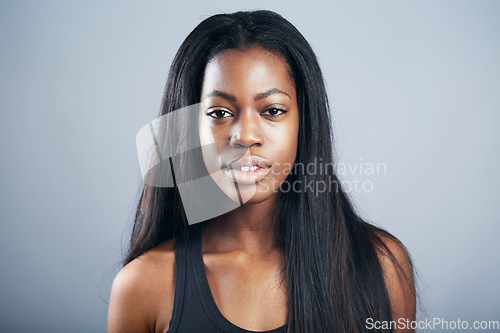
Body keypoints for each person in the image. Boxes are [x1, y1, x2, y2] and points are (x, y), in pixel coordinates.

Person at [107, 10, 416, 333]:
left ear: (304, 122)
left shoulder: (381, 267)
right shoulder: (142, 286)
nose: (245, 136)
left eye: (272, 111)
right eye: (219, 112)